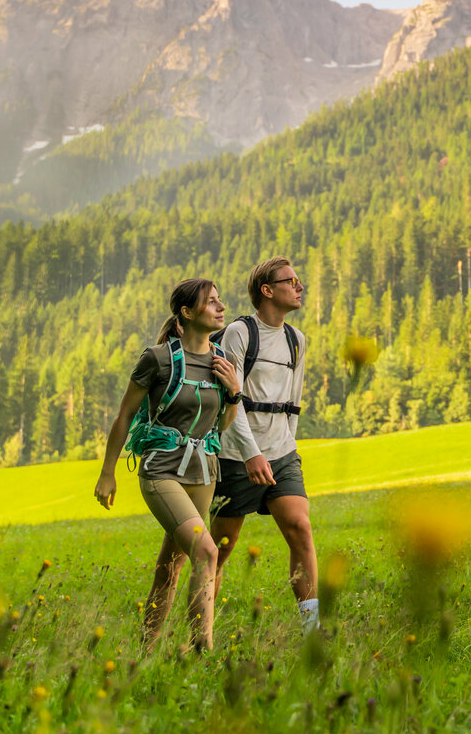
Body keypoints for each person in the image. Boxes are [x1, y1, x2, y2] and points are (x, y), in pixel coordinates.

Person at [93, 279, 241, 652]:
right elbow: (125, 414)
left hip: (204, 473)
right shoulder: (157, 359)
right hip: (162, 472)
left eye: (219, 300)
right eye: (211, 302)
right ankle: (201, 648)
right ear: (186, 314)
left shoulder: (224, 362)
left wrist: (235, 391)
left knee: (171, 566)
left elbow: (220, 426)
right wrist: (108, 473)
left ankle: (146, 649)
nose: (220, 307)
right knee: (207, 552)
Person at [210, 256, 319, 635]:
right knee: (221, 548)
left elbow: (293, 400)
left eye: (298, 280)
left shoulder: (296, 340)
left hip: (282, 453)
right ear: (267, 291)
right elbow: (231, 399)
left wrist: (286, 446)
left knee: (300, 528)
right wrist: (252, 452)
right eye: (291, 281)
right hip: (236, 456)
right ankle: (201, 631)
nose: (299, 286)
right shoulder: (239, 333)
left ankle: (311, 631)